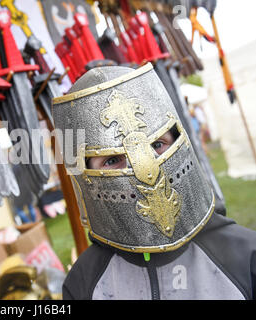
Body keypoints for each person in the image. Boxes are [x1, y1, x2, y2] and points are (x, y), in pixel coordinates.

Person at [52, 63, 256, 300]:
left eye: (157, 145)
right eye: (113, 160)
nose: (145, 171)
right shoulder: (83, 284)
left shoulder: (244, 257)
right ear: (85, 175)